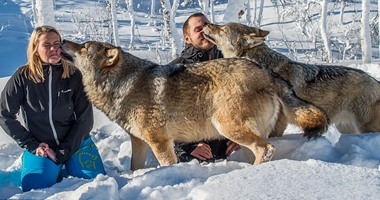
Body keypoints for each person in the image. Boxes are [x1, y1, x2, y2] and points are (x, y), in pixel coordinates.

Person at [0, 25, 106, 192]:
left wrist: (65, 150)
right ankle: (47, 167)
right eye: (46, 45)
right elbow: (4, 114)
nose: (54, 49)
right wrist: (33, 145)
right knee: (34, 188)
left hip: (76, 144)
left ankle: (64, 166)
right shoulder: (22, 77)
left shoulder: (74, 75)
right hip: (42, 147)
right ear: (35, 49)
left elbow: (85, 119)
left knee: (98, 185)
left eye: (57, 44)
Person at [169, 13, 241, 163]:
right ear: (187, 38)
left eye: (207, 26)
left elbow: (242, 104)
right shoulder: (174, 71)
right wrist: (187, 147)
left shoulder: (231, 64)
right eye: (198, 29)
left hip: (232, 151)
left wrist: (242, 136)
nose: (204, 31)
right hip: (195, 158)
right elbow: (163, 116)